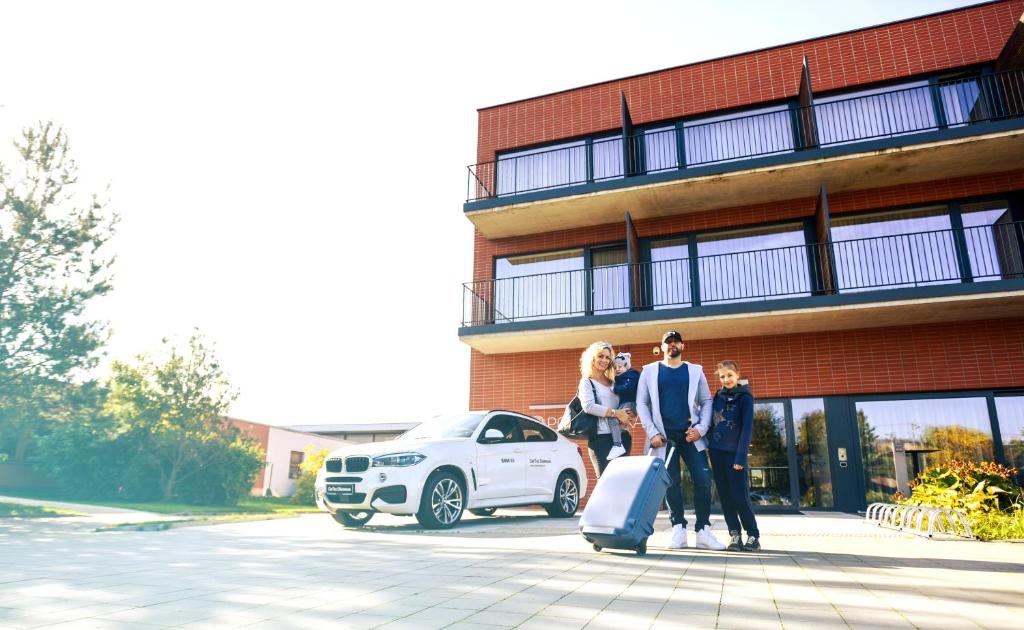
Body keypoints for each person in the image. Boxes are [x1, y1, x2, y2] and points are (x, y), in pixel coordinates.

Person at [636, 330, 726, 550]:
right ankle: (678, 530)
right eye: (668, 342)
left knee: (703, 478)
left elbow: (706, 401)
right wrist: (652, 432)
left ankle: (703, 531)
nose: (672, 345)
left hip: (691, 435)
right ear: (662, 346)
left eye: (676, 342)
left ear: (682, 346)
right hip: (664, 438)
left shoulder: (695, 371)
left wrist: (701, 429)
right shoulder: (649, 371)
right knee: (671, 483)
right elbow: (642, 404)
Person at [708, 360, 761, 551]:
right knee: (725, 496)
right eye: (722, 376)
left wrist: (741, 457)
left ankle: (753, 535)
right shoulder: (718, 396)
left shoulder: (745, 397)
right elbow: (712, 421)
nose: (726, 379)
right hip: (716, 452)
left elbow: (747, 429)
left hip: (734, 455)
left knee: (740, 497)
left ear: (737, 375)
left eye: (729, 375)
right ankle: (735, 534)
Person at [578, 341, 633, 476]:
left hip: (623, 437)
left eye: (608, 357)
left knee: (622, 482)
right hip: (601, 439)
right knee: (605, 484)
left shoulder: (614, 382)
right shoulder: (587, 382)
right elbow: (589, 406)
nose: (604, 360)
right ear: (592, 359)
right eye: (600, 356)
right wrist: (616, 413)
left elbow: (623, 404)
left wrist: (629, 414)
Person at [609, 352, 640, 460]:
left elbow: (628, 388)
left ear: (626, 366)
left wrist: (614, 388)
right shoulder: (621, 377)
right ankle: (618, 442)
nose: (617, 369)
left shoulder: (631, 376)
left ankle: (617, 445)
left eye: (620, 366)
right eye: (615, 367)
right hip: (626, 403)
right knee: (618, 422)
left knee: (613, 420)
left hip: (629, 403)